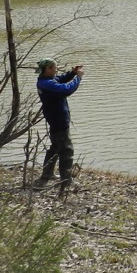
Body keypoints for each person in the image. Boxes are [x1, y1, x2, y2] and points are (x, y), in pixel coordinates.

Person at [34, 58, 84, 192]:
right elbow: (66, 89)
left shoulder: (44, 81)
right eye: (54, 68)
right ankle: (66, 181)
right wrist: (78, 78)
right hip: (59, 120)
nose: (57, 70)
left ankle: (47, 174)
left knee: (56, 147)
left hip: (54, 119)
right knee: (67, 150)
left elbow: (60, 80)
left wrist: (72, 73)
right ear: (48, 69)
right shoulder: (48, 84)